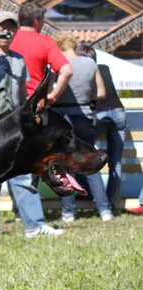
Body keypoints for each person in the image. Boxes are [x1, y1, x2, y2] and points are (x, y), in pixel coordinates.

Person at [0, 11, 63, 238]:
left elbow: (22, 95)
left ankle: (34, 225)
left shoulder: (18, 59)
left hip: (13, 127)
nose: (6, 33)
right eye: (2, 28)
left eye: (11, 28)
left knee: (22, 175)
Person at [52, 33, 113, 222]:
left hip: (62, 117)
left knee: (65, 164)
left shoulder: (58, 64)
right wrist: (85, 98)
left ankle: (68, 212)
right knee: (90, 161)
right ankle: (105, 211)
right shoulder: (90, 63)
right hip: (84, 116)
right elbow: (101, 92)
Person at [77, 43, 128, 213]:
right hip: (119, 113)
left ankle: (90, 195)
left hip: (99, 115)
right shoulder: (104, 68)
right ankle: (110, 204)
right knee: (116, 163)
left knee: (82, 154)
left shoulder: (83, 72)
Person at [10, 1, 73, 102]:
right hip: (34, 102)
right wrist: (53, 96)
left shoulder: (8, 40)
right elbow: (67, 71)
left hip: (10, 101)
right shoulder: (46, 42)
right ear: (36, 21)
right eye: (43, 20)